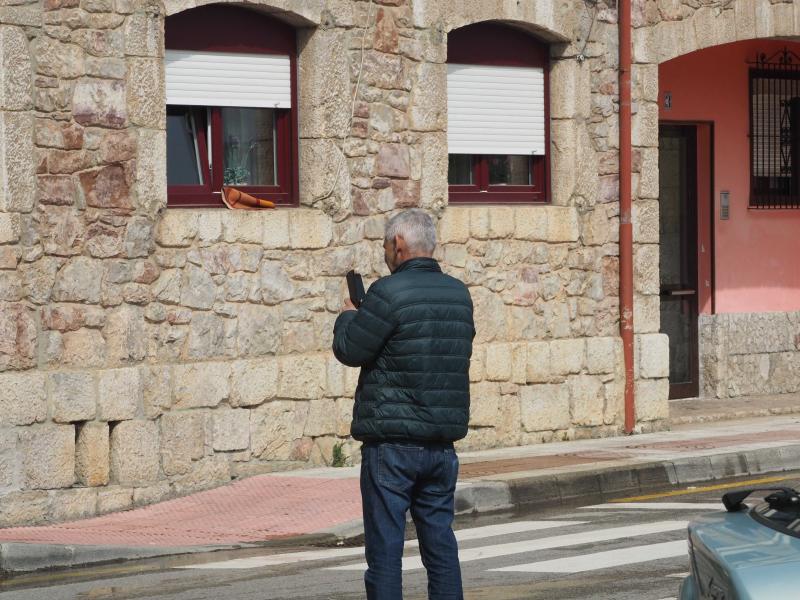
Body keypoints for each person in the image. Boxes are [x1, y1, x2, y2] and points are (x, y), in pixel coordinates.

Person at [332, 209, 475, 600]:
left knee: (385, 554)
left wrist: (347, 316)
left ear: (398, 245)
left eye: (385, 245)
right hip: (441, 446)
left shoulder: (386, 293)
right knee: (441, 549)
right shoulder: (459, 294)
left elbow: (350, 349)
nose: (384, 253)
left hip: (391, 447)